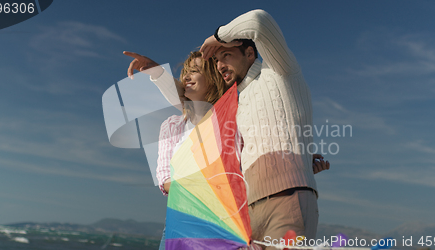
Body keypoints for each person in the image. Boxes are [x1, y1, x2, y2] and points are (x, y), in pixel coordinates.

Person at [199, 9, 326, 248]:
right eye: (216, 60)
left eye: (225, 55)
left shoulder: (279, 71)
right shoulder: (237, 102)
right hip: (249, 211)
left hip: (287, 202)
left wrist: (218, 37)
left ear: (249, 53)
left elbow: (259, 20)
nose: (219, 65)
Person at [124, 50, 232, 249]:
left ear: (214, 79)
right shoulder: (172, 126)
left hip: (221, 225)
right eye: (186, 72)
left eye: (196, 71)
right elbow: (165, 180)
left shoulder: (228, 123)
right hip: (179, 224)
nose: (187, 76)